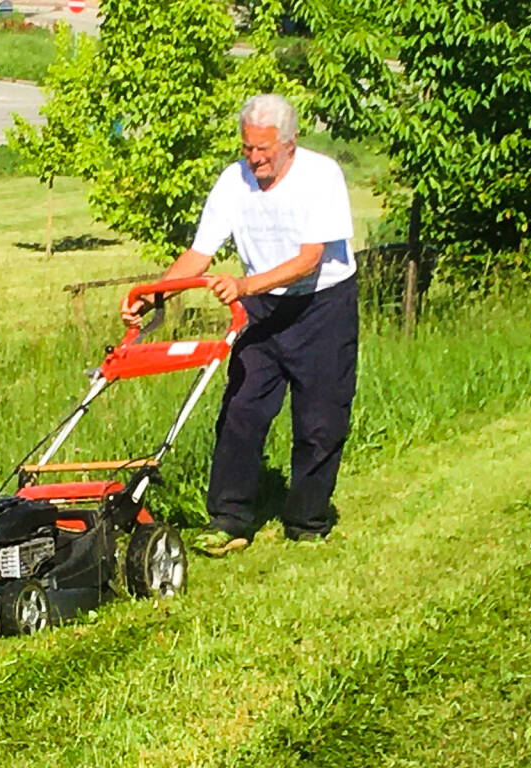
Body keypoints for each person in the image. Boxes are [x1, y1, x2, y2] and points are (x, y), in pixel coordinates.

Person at [121, 93, 358, 557]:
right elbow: (199, 254)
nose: (254, 159)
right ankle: (229, 519)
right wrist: (151, 296)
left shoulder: (321, 176)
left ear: (289, 143)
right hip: (262, 310)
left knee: (320, 421)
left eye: (264, 150)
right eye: (247, 148)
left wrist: (245, 286)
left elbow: (310, 261)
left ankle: (306, 520)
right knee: (241, 412)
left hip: (323, 305)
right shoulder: (234, 181)